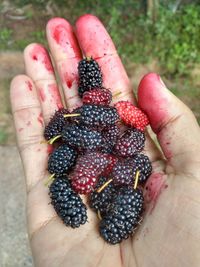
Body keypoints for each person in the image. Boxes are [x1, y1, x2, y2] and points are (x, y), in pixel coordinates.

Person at [10, 14, 200, 267]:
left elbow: (115, 156)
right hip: (89, 145)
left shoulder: (121, 157)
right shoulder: (84, 143)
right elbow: (87, 158)